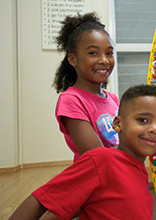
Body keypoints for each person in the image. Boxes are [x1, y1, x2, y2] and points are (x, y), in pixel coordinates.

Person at [9, 84, 156, 220]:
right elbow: (41, 201)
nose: (154, 129)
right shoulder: (102, 160)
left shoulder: (139, 170)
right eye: (143, 120)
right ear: (118, 124)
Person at [52, 12, 119, 162]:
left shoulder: (113, 99)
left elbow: (127, 134)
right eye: (93, 53)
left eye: (109, 53)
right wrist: (137, 144)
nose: (104, 60)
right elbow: (98, 156)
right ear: (73, 59)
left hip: (120, 175)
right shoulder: (71, 100)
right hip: (98, 181)